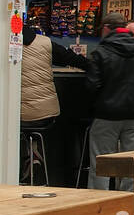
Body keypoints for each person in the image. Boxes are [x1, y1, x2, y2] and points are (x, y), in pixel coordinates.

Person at [87, 13, 134, 190]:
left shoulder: (100, 52)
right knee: (131, 165)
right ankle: (128, 208)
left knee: (100, 164)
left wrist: (96, 107)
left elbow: (92, 86)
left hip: (106, 116)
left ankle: (99, 208)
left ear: (106, 29)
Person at [21, 22, 90, 182]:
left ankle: (24, 158)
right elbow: (73, 59)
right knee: (31, 128)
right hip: (47, 112)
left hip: (18, 114)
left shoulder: (2, 42)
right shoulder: (45, 42)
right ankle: (32, 152)